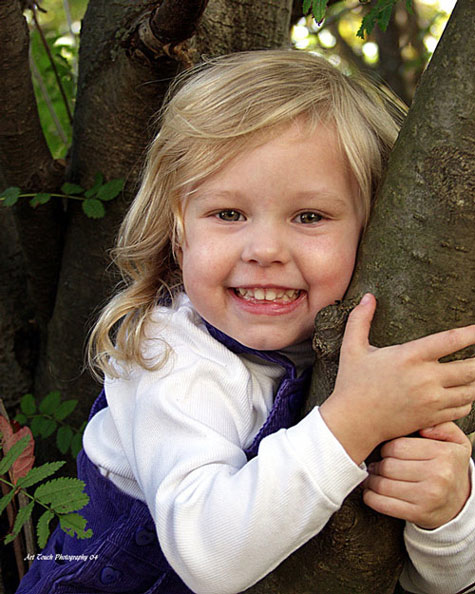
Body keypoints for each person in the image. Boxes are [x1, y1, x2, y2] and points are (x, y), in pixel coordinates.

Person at [17, 50, 475, 594]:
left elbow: (443, 585)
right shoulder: (169, 356)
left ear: (373, 234)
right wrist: (354, 422)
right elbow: (211, 557)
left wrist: (446, 515)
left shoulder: (384, 360)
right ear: (177, 231)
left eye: (310, 217)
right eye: (228, 214)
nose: (264, 250)